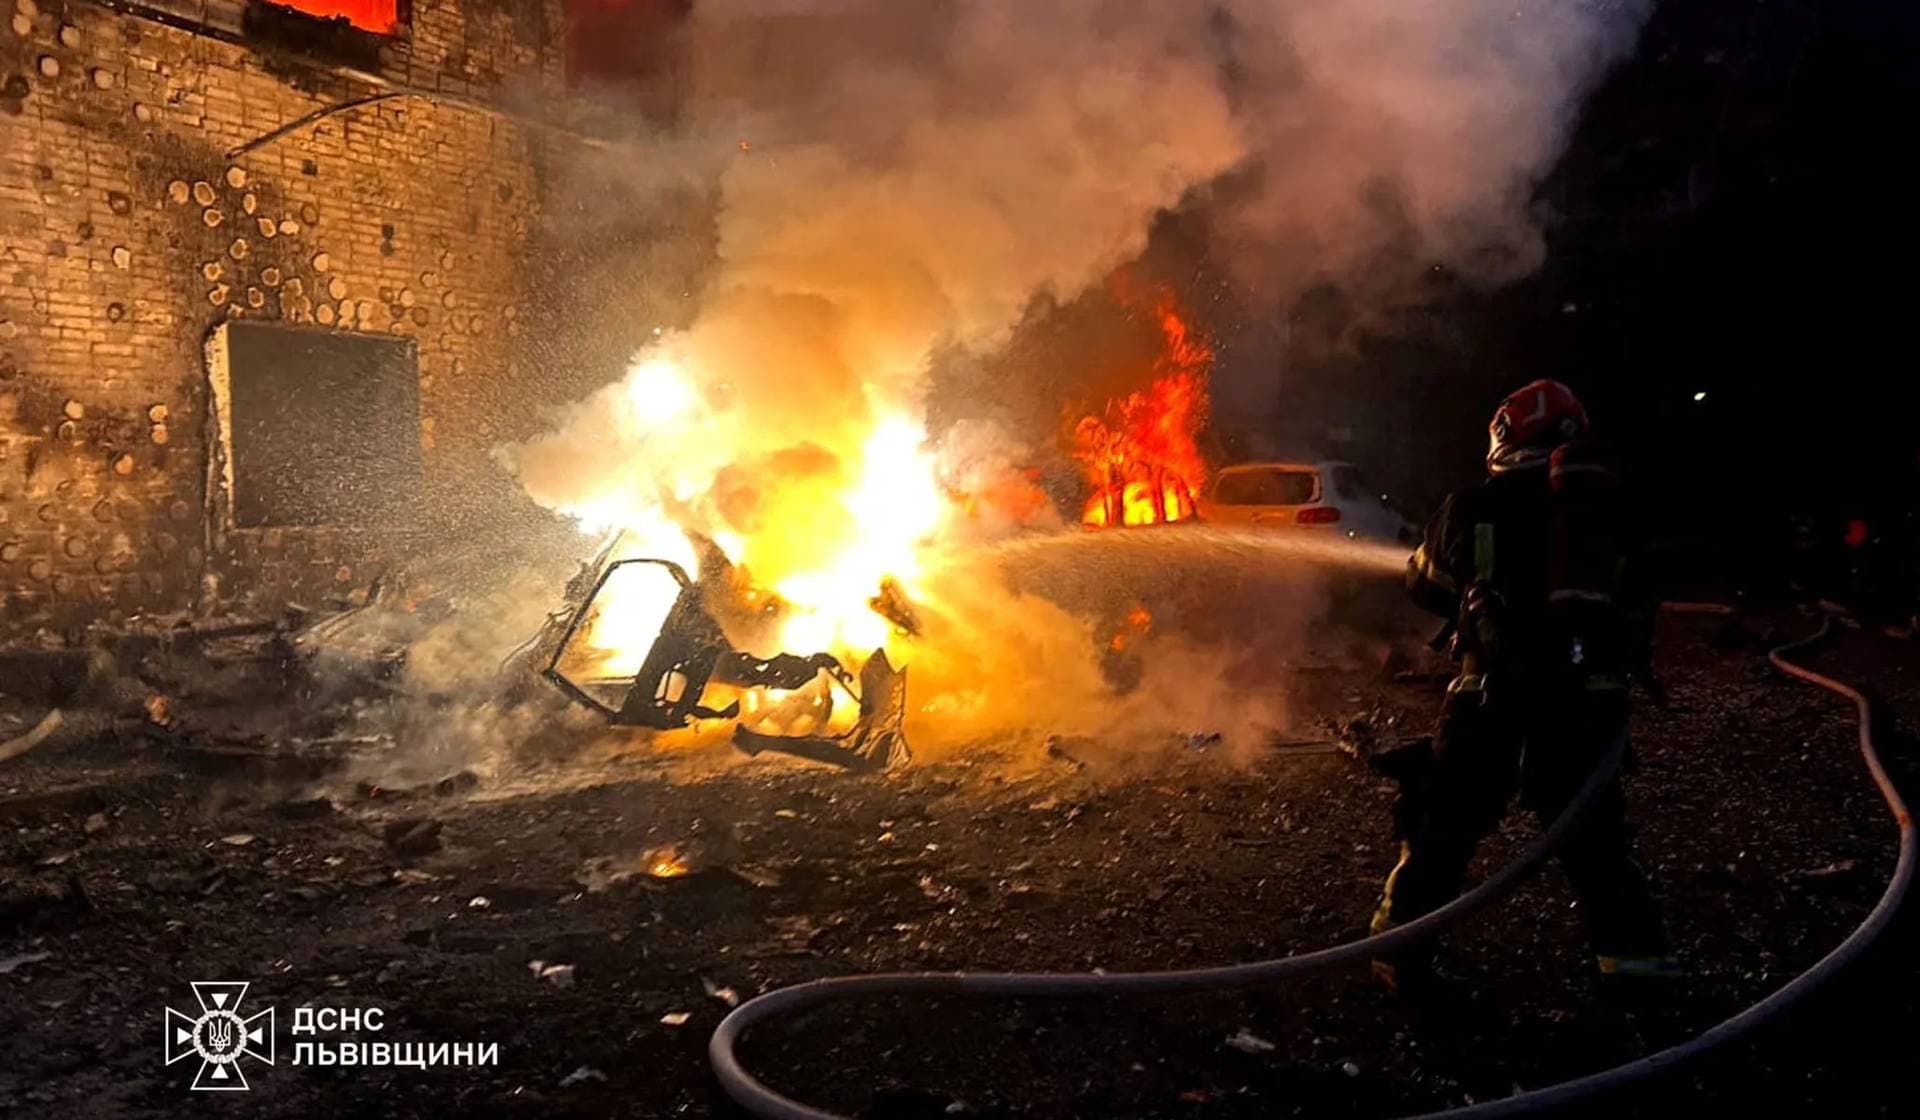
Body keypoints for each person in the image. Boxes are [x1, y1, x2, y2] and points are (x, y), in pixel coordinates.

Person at [1371, 379, 1679, 994]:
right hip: (1585, 698)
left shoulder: (1473, 507)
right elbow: (1639, 595)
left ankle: (1399, 955)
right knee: (1595, 842)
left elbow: (1425, 585)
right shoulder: (1604, 509)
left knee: (1446, 828)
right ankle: (1640, 976)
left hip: (1488, 695)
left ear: (1504, 437)